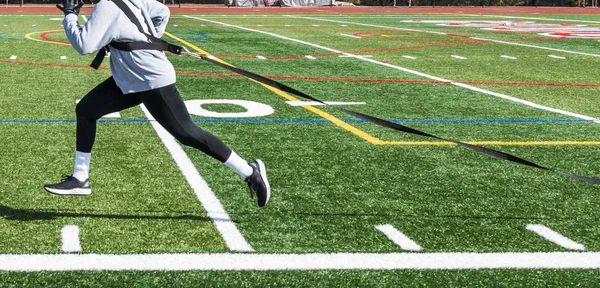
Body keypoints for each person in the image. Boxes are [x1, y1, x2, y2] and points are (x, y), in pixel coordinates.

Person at [44, 0, 271, 207]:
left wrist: (70, 15)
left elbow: (84, 45)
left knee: (186, 133)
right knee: (86, 110)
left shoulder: (107, 6)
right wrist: (147, 40)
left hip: (150, 79)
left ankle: (249, 171)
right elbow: (163, 11)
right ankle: (80, 178)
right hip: (132, 78)